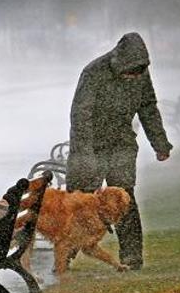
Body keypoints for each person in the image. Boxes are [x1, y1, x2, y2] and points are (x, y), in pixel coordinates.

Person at [66, 32, 172, 270]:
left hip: (121, 143)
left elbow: (148, 107)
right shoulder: (94, 72)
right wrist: (86, 157)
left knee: (124, 199)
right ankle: (66, 253)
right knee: (79, 202)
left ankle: (132, 257)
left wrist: (160, 144)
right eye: (128, 72)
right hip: (90, 142)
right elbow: (80, 115)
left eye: (136, 73)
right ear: (118, 62)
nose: (132, 77)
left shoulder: (141, 74)